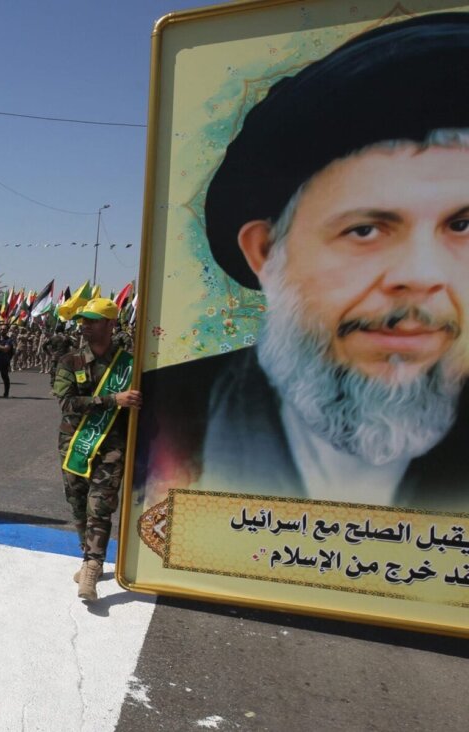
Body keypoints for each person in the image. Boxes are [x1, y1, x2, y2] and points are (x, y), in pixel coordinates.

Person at [136, 14, 469, 510]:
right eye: (366, 230)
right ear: (266, 253)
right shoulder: (172, 414)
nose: (422, 276)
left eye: (461, 226)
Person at [53, 297, 141, 602]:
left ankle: (93, 564)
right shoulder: (70, 361)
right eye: (83, 321)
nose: (85, 326)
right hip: (75, 443)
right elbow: (66, 403)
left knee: (100, 505)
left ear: (110, 323)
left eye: (92, 321)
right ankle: (86, 554)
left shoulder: (131, 365)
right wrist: (111, 400)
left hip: (113, 445)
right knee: (77, 503)